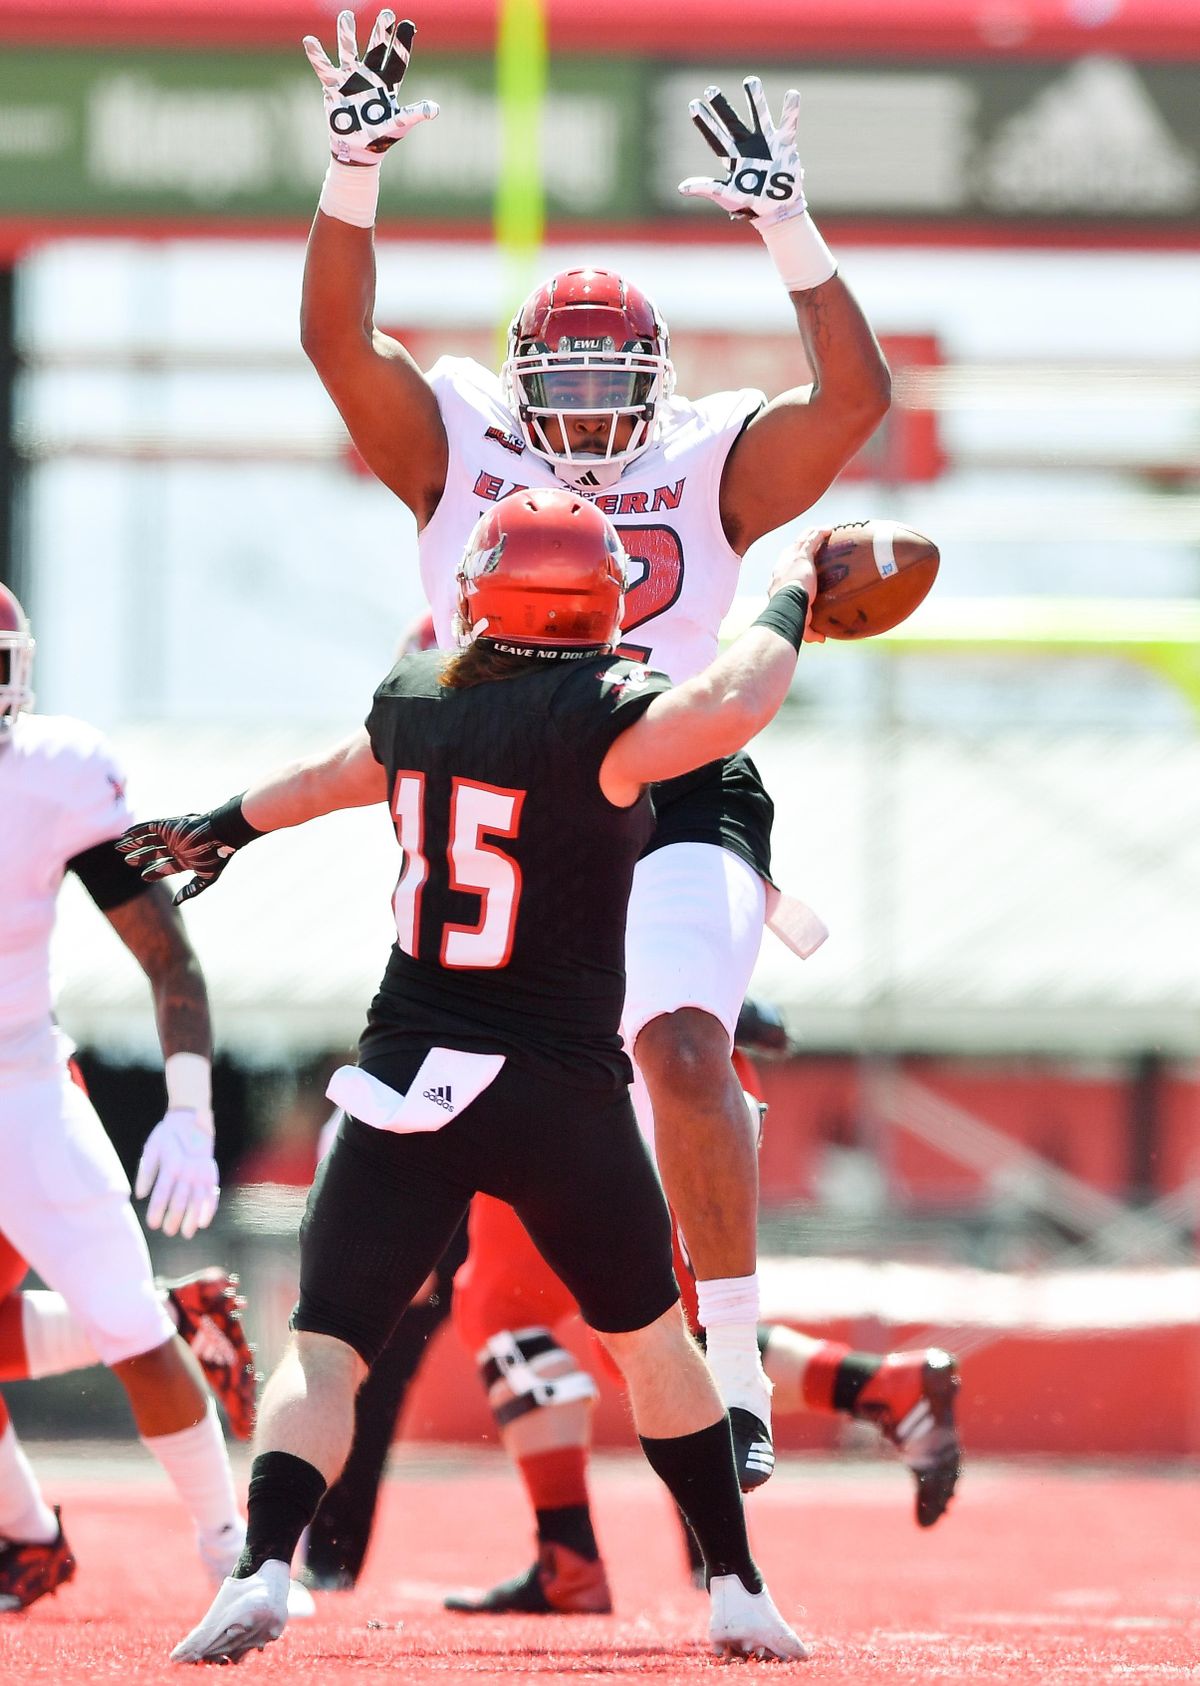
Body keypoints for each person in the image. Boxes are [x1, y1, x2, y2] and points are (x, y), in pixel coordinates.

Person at [296, 9, 956, 1611]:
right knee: (479, 1194)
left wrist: (789, 228)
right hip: (514, 818)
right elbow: (339, 348)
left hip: (669, 781)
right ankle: (541, 1529)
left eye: (614, 372)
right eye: (562, 371)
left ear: (655, 379)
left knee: (671, 1047)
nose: (588, 402)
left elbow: (851, 400)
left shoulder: (707, 456)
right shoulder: (459, 438)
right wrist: (351, 173)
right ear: (523, 379)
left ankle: (733, 1376)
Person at [123, 489, 821, 1664]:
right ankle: (739, 1588)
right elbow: (736, 700)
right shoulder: (606, 716)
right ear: (603, 602)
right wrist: (793, 586)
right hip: (559, 1093)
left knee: (329, 1346)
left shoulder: (416, 707)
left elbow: (336, 773)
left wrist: (228, 826)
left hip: (406, 1081)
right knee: (655, 1344)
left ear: (480, 594)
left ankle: (258, 1572)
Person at [0, 583, 251, 1610]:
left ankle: (232, 1553)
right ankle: (24, 1540)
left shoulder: (58, 774)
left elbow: (167, 953)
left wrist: (188, 1110)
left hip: (16, 1082)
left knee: (119, 1322)